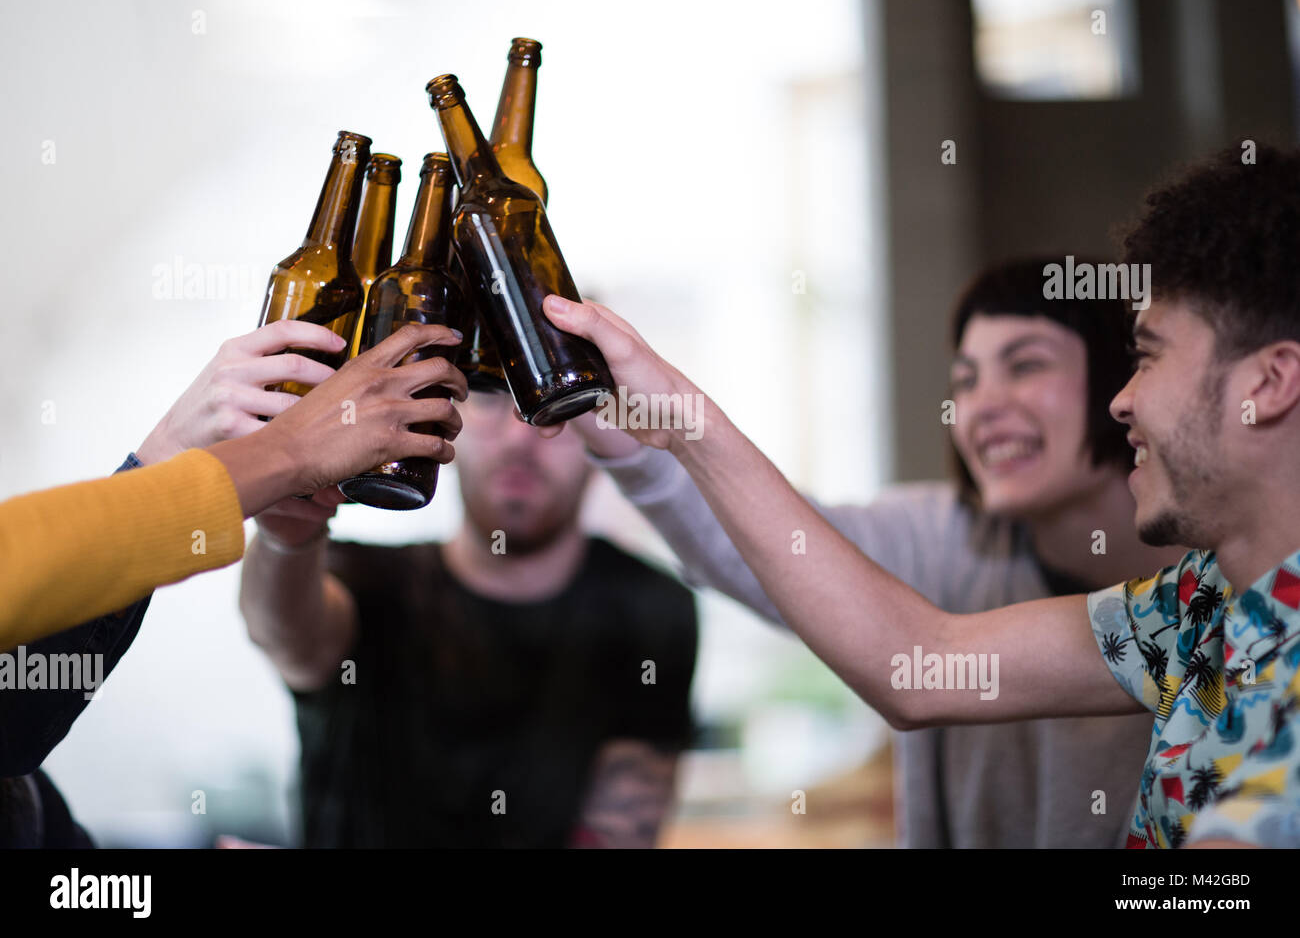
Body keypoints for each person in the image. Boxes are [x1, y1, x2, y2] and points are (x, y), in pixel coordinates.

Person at [540, 144, 1300, 848]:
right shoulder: (1193, 604)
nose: (1124, 400)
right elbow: (919, 665)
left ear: (1268, 384)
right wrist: (678, 421)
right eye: (965, 379)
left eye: (1148, 358)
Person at [569, 258, 1175, 848]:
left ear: (1125, 387)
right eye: (965, 379)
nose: (982, 405)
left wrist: (681, 416)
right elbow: (766, 549)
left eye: (1025, 366)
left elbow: (917, 672)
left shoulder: (1207, 596)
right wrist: (609, 409)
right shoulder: (946, 537)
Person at [1, 319, 466, 846]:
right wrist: (286, 454)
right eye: (493, 397)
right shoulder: (383, 576)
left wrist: (167, 451)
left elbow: (16, 697)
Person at [240, 386, 698, 848]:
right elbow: (287, 634)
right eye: (491, 396)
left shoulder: (650, 607)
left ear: (603, 436)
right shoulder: (361, 579)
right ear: (447, 417)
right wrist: (288, 536)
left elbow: (619, 832)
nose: (521, 436)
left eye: (558, 400)